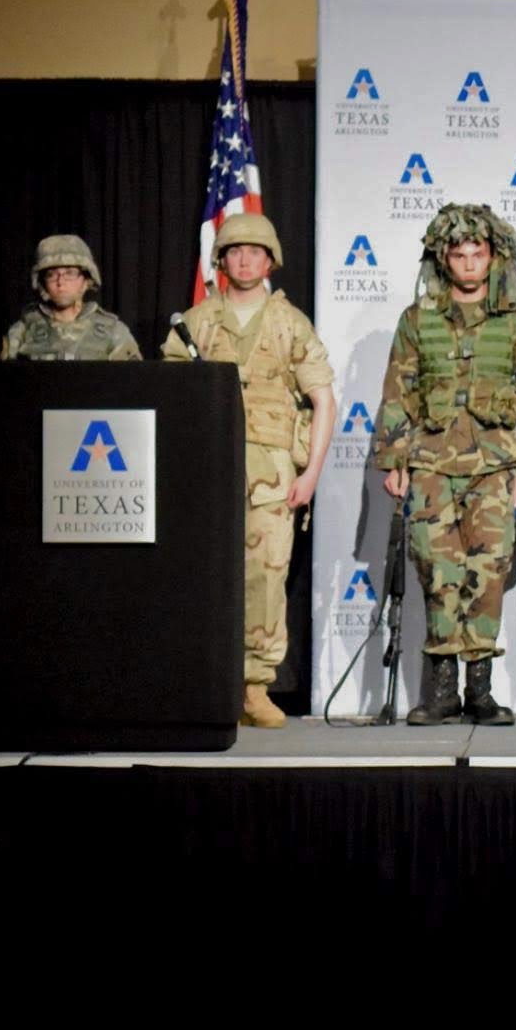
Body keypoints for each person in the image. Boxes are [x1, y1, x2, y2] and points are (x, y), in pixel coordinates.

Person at [371, 204, 516, 727]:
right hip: (429, 462)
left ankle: (481, 691)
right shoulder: (417, 318)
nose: (469, 263)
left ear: (494, 257)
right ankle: (442, 690)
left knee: (489, 572)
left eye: (478, 253)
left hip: (494, 465)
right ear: (443, 259)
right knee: (437, 571)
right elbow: (397, 390)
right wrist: (393, 458)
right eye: (459, 253)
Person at [163, 214, 335, 728]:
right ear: (220, 260)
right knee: (201, 579)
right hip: (206, 474)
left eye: (254, 251)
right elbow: (168, 399)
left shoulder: (289, 323)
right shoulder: (195, 323)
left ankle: (254, 686)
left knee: (266, 578)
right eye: (234, 250)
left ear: (270, 261)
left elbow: (323, 400)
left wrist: (312, 476)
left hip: (272, 476)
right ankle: (206, 681)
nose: (243, 259)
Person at [1, 234, 142, 361]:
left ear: (86, 280)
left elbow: (133, 383)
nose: (60, 282)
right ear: (42, 283)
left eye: (70, 273)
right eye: (51, 274)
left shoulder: (113, 331)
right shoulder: (23, 331)